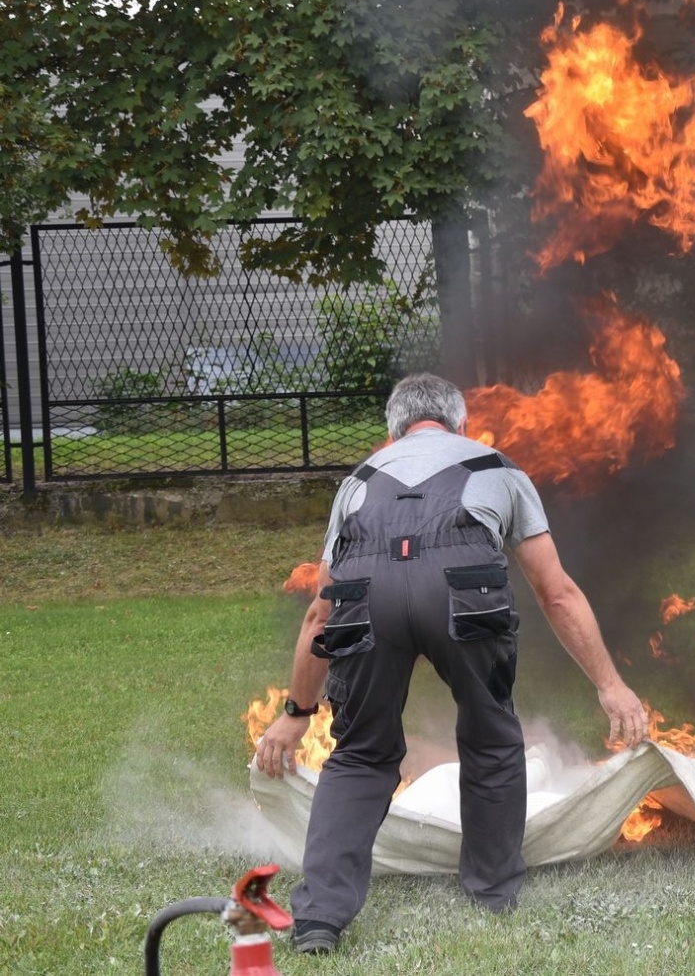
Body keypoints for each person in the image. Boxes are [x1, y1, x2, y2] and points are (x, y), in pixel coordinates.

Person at [255, 373, 649, 955]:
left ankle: (319, 919)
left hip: (366, 596)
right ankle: (492, 893)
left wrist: (297, 712)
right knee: (490, 739)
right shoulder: (497, 467)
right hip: (463, 592)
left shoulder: (357, 482)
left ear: (394, 433)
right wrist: (610, 686)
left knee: (360, 753)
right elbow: (557, 592)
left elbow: (320, 612)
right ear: (463, 424)